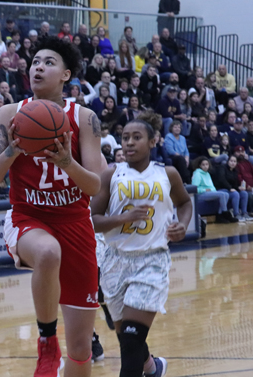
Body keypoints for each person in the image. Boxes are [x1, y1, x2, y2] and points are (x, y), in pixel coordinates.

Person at [0, 36, 104, 377]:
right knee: (48, 253)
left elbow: (95, 185)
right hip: (28, 217)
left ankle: (64, 354)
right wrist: (13, 150)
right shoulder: (9, 113)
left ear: (66, 75)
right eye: (35, 61)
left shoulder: (85, 118)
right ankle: (47, 342)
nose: (38, 67)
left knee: (81, 350)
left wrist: (67, 163)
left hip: (76, 225)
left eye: (49, 62)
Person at [91, 113, 191, 377]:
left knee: (131, 339)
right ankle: (153, 367)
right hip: (115, 260)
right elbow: (92, 220)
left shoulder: (167, 174)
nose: (129, 142)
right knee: (128, 339)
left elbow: (184, 203)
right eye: (125, 138)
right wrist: (122, 218)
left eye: (137, 137)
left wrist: (182, 225)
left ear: (153, 141)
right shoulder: (111, 174)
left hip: (151, 260)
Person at [192, 157, 237, 223]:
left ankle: (220, 216)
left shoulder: (207, 173)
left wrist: (212, 190)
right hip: (200, 195)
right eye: (203, 165)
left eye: (207, 164)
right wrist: (205, 190)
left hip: (209, 193)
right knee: (222, 195)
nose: (205, 166)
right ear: (200, 166)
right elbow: (194, 188)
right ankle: (225, 213)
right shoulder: (197, 174)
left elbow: (212, 187)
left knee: (226, 194)